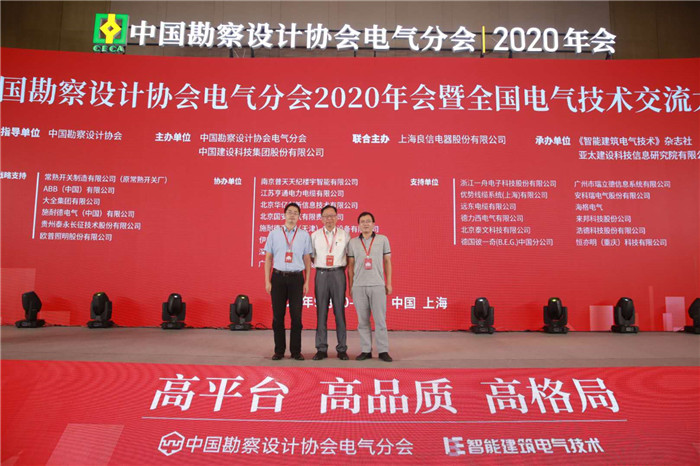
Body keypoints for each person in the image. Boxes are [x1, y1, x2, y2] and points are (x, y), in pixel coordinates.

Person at [264, 202, 312, 360]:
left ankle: (296, 351)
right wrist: (267, 281)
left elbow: (307, 259)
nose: (292, 215)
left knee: (296, 317)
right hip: (277, 278)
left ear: (299, 216)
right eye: (290, 212)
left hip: (297, 279)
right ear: (284, 214)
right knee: (278, 316)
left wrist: (306, 281)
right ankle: (279, 350)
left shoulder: (304, 235)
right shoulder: (274, 234)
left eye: (295, 212)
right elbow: (268, 258)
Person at [347, 211, 393, 362]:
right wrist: (351, 286)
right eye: (362, 221)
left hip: (378, 284)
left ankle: (383, 350)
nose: (365, 224)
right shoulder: (353, 242)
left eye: (368, 221)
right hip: (359, 286)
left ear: (374, 224)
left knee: (380, 320)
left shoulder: (383, 239)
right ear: (358, 225)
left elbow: (387, 262)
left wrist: (388, 283)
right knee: (362, 321)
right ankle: (366, 350)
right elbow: (350, 266)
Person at [310, 205, 350, 360]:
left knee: (339, 311)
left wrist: (337, 268)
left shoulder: (344, 235)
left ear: (337, 217)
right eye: (326, 216)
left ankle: (342, 348)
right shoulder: (315, 235)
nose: (329, 219)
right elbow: (312, 256)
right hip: (321, 274)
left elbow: (349, 257)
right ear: (321, 219)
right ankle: (321, 348)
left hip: (338, 273)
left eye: (332, 216)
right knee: (321, 312)